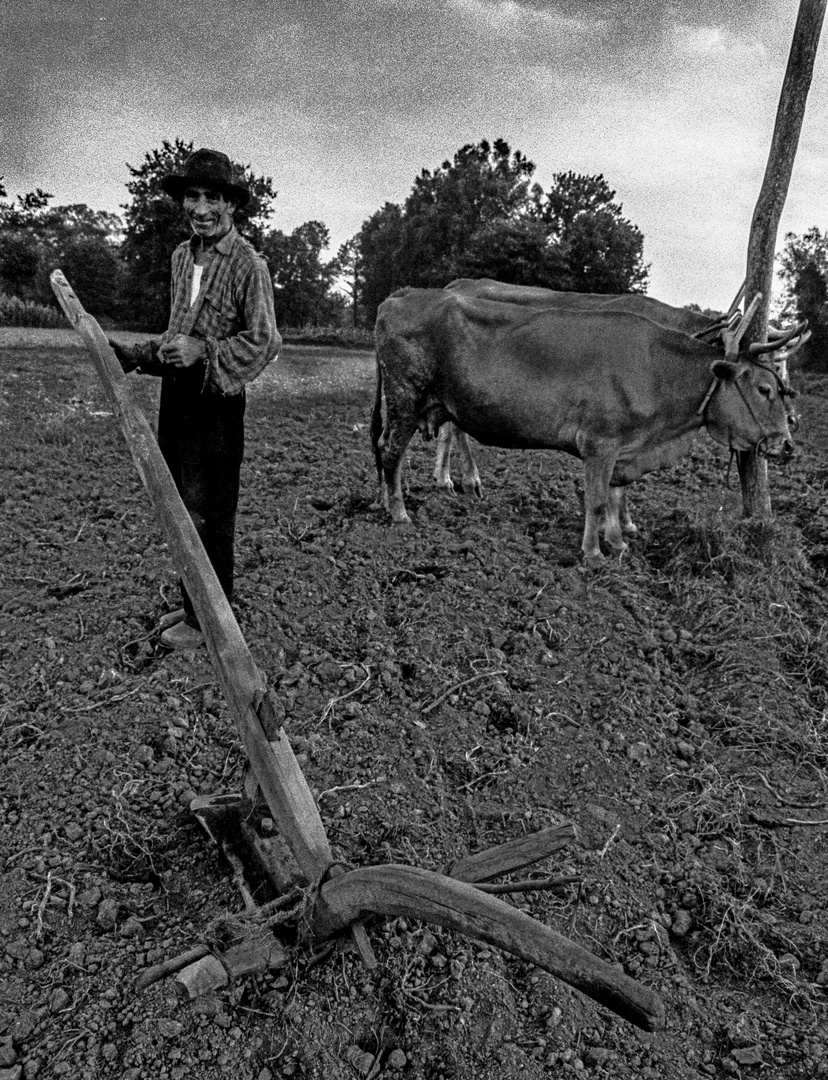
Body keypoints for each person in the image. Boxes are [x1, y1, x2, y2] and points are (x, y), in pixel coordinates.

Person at [109, 148, 280, 650]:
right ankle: (192, 607)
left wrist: (205, 350)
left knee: (210, 510)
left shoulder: (249, 264)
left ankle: (209, 623)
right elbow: (177, 334)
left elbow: (266, 341)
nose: (200, 207)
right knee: (181, 505)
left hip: (217, 401)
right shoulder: (182, 257)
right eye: (192, 196)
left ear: (231, 205)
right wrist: (143, 354)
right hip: (176, 396)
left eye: (212, 197)